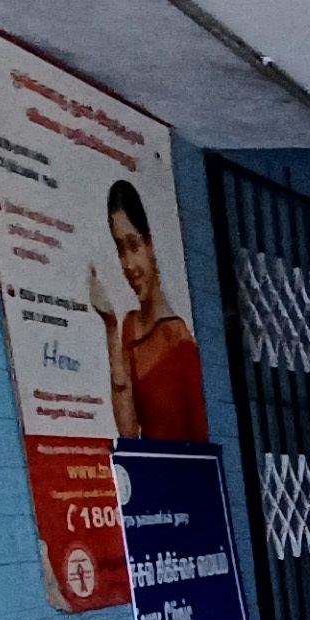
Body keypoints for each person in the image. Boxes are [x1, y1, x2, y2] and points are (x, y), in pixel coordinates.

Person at [87, 179, 207, 441]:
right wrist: (110, 327)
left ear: (151, 245)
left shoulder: (177, 338)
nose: (128, 264)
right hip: (151, 471)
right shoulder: (130, 325)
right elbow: (128, 431)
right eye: (120, 249)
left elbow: (201, 438)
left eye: (134, 245)